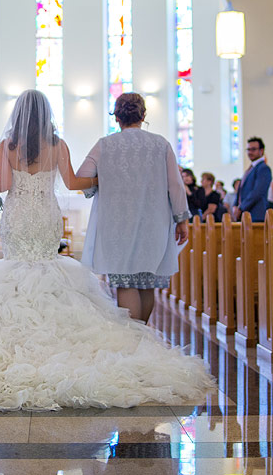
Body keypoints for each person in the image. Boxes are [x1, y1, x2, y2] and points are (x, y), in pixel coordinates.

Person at [0, 89, 213, 410]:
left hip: (17, 216)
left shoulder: (8, 146)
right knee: (48, 264)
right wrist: (106, 180)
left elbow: (2, 186)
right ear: (47, 115)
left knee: (16, 267)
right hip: (45, 215)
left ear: (18, 114)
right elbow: (73, 182)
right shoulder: (58, 144)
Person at [77, 92, 189, 323]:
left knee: (125, 282)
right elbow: (176, 186)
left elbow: (82, 176)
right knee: (146, 283)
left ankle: (136, 342)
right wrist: (182, 220)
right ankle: (144, 335)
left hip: (118, 225)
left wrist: (103, 182)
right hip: (153, 223)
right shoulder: (161, 144)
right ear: (143, 115)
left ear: (116, 117)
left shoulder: (105, 145)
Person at [237, 137, 272, 220]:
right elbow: (241, 189)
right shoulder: (250, 168)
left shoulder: (263, 168)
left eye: (253, 149)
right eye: (248, 149)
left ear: (261, 150)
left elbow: (257, 192)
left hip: (256, 214)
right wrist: (235, 206)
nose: (250, 152)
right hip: (246, 214)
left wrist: (241, 208)